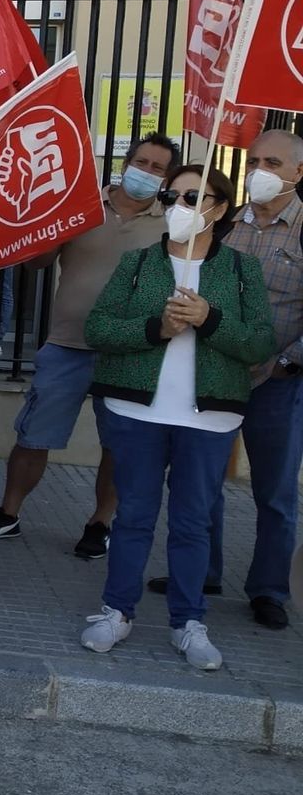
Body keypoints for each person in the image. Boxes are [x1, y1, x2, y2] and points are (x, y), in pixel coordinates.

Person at [79, 165, 274, 670]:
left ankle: (188, 622)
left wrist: (210, 321)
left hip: (209, 417)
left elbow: (259, 343)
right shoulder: (138, 263)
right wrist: (155, 329)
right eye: (173, 195)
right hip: (136, 411)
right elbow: (99, 328)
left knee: (193, 523)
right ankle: (116, 611)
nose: (179, 204)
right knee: (134, 516)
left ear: (219, 207)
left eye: (193, 196)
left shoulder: (240, 270)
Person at [0, 133, 176, 557]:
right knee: (34, 435)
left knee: (118, 445)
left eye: (158, 168)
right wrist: (46, 225)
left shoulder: (172, 223)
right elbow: (39, 262)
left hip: (129, 352)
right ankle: (8, 513)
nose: (147, 173)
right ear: (125, 163)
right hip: (67, 344)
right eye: (142, 162)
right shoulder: (81, 207)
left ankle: (100, 523)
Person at [195, 130, 303, 629]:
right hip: (219, 376)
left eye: (273, 162)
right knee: (203, 482)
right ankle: (202, 573)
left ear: (297, 172)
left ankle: (268, 591)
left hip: (279, 384)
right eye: (254, 160)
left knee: (275, 493)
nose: (260, 170)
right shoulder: (228, 225)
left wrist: (287, 363)